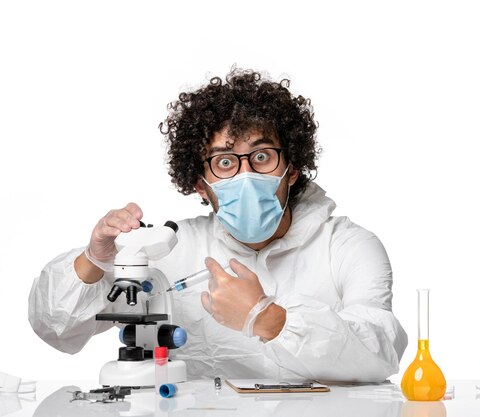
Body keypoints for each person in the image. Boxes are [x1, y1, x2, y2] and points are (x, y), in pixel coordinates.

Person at [28, 68, 408, 382]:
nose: (245, 175)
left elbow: (379, 354)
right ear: (200, 184)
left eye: (261, 156)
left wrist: (268, 317)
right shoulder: (171, 249)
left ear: (291, 170)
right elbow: (56, 330)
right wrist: (95, 259)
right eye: (225, 162)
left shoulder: (346, 246)